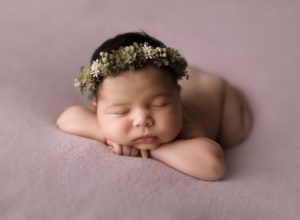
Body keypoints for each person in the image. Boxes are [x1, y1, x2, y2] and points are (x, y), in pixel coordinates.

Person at [56, 31, 252, 181]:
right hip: (173, 83)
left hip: (218, 93)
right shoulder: (108, 106)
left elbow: (213, 166)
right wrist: (106, 135)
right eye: (121, 111)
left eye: (160, 105)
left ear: (178, 97)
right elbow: (67, 118)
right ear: (96, 109)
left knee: (234, 135)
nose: (142, 120)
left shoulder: (186, 124)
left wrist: (151, 150)